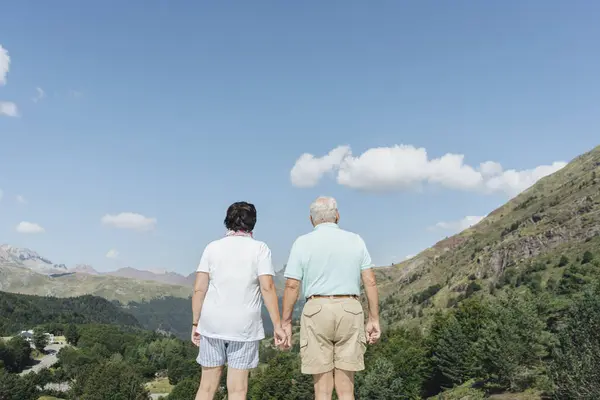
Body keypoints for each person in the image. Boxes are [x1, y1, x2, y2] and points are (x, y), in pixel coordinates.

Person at [281, 196, 381, 400]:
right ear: (337, 216)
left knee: (323, 391)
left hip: (316, 309)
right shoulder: (356, 240)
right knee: (346, 390)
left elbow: (292, 285)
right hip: (350, 308)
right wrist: (373, 318)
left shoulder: (302, 242)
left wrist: (286, 322)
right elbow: (370, 281)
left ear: (311, 219)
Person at [191, 201, 285, 400]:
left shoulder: (212, 247)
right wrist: (277, 325)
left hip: (212, 323)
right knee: (238, 390)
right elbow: (267, 287)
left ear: (227, 221)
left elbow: (199, 288)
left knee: (206, 387)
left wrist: (195, 322)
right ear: (253, 223)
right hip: (244, 326)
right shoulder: (260, 249)